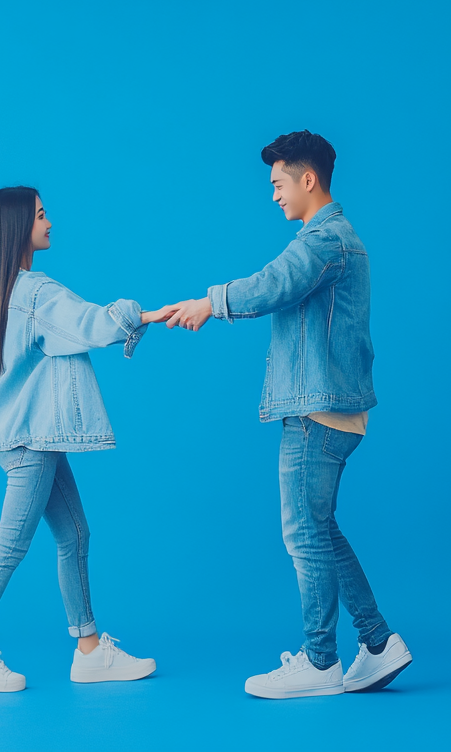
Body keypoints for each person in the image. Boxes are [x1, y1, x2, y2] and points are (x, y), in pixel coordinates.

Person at [164, 131, 411, 699]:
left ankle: (320, 661)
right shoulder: (335, 240)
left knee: (303, 533)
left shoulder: (324, 241)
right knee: (320, 529)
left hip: (316, 410)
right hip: (331, 408)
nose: (273, 195)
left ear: (307, 179)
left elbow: (272, 285)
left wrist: (210, 302)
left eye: (277, 183)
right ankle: (376, 645)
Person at [0, 186, 170, 693]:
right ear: (18, 227)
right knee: (12, 542)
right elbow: (87, 322)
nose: (50, 222)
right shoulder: (35, 293)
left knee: (75, 535)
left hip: (29, 437)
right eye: (42, 215)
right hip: (31, 442)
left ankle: (90, 651)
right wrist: (143, 315)